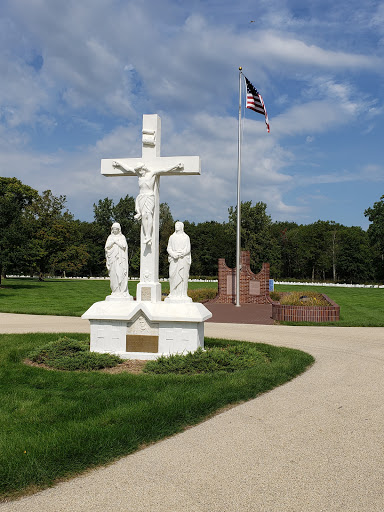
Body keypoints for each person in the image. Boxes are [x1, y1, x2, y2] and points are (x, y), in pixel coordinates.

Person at [112, 160, 184, 244]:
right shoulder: (139, 175)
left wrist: (176, 166)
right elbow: (128, 169)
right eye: (138, 171)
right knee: (143, 216)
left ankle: (148, 235)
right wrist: (119, 164)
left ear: (144, 168)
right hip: (141, 197)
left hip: (149, 197)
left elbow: (165, 169)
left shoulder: (152, 173)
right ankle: (147, 235)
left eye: (140, 170)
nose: (139, 172)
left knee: (149, 215)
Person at [166, 221, 191, 301]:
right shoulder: (172, 237)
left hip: (183, 259)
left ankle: (183, 294)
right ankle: (173, 293)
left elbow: (188, 249)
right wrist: (173, 254)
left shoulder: (186, 237)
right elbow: (168, 248)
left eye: (178, 225)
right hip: (174, 259)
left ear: (181, 227)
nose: (176, 226)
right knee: (172, 275)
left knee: (183, 277)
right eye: (175, 225)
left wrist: (182, 253)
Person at [105, 223, 129, 297]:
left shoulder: (122, 237)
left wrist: (116, 242)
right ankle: (115, 291)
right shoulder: (110, 237)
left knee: (120, 273)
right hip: (112, 259)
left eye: (116, 229)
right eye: (113, 229)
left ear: (119, 229)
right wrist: (113, 242)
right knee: (113, 274)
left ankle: (122, 290)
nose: (115, 230)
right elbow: (107, 247)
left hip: (120, 260)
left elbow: (124, 246)